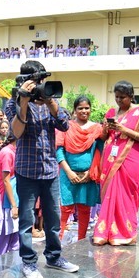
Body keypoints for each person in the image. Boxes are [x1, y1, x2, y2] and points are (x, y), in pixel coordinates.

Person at [5, 60, 79, 278]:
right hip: (27, 171)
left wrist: (49, 102)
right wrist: (24, 101)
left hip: (50, 170)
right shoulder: (12, 103)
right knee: (26, 221)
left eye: (41, 81)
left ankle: (54, 257)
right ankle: (28, 263)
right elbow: (16, 132)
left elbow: (65, 125)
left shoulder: (49, 99)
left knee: (53, 219)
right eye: (36, 82)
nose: (40, 85)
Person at [92, 81, 139, 246]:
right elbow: (105, 138)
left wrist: (123, 129)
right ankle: (105, 232)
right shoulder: (112, 112)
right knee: (110, 193)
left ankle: (125, 232)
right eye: (117, 97)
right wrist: (105, 129)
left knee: (125, 193)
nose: (119, 100)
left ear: (131, 96)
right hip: (110, 158)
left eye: (123, 97)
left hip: (131, 158)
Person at [56, 96, 103, 241]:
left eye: (86, 108)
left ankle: (81, 240)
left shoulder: (97, 129)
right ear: (75, 111)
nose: (84, 111)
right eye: (80, 108)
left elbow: (100, 152)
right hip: (68, 174)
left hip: (88, 176)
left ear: (90, 109)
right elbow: (58, 150)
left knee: (84, 209)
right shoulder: (66, 127)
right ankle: (58, 240)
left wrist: (91, 172)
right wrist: (69, 172)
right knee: (65, 208)